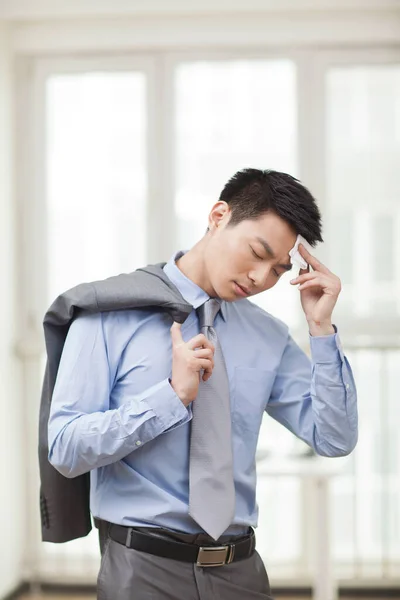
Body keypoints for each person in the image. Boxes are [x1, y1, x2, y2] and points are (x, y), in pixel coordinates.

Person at [48, 168, 358, 600]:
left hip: (242, 571)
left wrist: (322, 330)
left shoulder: (267, 335)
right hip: (142, 572)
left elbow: (334, 438)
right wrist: (170, 397)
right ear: (218, 216)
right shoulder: (107, 315)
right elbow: (65, 448)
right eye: (257, 252)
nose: (260, 278)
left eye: (277, 270)